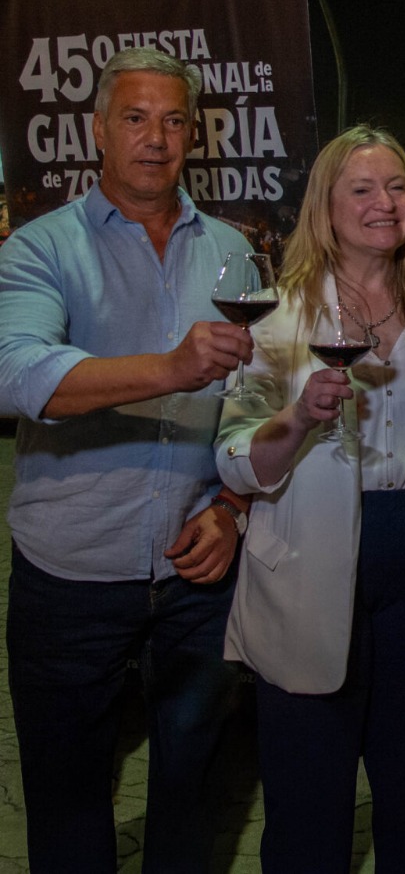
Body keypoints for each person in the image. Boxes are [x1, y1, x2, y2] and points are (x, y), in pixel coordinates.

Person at [0, 46, 253, 871]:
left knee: (194, 797)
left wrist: (235, 507)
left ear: (194, 136)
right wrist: (171, 368)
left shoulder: (231, 251)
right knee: (69, 807)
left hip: (197, 580)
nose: (156, 138)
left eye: (174, 121)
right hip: (70, 580)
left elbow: (257, 404)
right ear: (98, 130)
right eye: (136, 118)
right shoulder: (40, 248)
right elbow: (17, 374)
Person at [214, 125, 405, 871]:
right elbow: (233, 458)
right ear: (325, 206)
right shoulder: (276, 316)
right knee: (307, 815)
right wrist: (298, 417)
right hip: (306, 570)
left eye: (396, 186)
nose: (384, 202)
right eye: (362, 188)